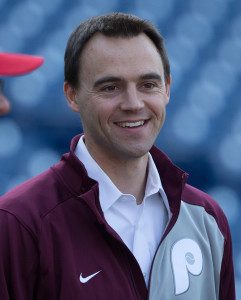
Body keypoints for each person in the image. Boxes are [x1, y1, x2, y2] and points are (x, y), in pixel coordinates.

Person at [0, 13, 235, 300]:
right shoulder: (18, 222)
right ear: (72, 95)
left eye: (148, 85)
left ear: (168, 89)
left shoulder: (208, 218)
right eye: (110, 87)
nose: (134, 104)